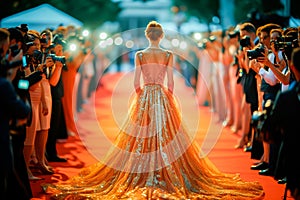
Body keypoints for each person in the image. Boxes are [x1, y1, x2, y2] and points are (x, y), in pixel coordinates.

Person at [42, 21, 264, 199]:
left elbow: (136, 83)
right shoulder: (167, 55)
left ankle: (142, 168)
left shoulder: (139, 55)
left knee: (138, 136)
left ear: (148, 36)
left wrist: (142, 98)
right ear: (161, 37)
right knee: (168, 134)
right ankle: (166, 168)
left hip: (146, 95)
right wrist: (166, 96)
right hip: (163, 95)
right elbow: (171, 82)